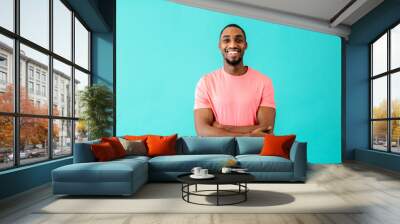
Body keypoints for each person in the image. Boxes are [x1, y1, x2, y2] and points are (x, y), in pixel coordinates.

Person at [194, 24, 276, 137]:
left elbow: (266, 129)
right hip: (218, 151)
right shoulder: (205, 82)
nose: (232, 44)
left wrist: (223, 127)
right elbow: (202, 130)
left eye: (238, 40)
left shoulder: (264, 82)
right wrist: (245, 136)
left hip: (253, 151)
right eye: (226, 40)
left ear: (245, 45)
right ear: (219, 45)